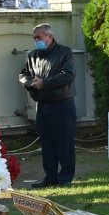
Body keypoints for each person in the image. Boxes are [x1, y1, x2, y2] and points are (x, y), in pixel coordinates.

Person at [19, 24, 76, 187]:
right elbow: (23, 74)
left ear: (49, 37)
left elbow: (68, 75)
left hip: (62, 104)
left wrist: (45, 83)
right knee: (47, 143)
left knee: (65, 143)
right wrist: (30, 83)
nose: (36, 40)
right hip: (43, 105)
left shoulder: (65, 52)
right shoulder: (33, 55)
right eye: (34, 37)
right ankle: (50, 177)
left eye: (39, 37)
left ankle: (65, 178)